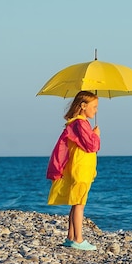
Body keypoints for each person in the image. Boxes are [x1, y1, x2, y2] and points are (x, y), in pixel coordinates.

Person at [46, 91, 101, 251]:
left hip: (81, 168)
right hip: (80, 169)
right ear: (83, 106)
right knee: (79, 204)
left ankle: (70, 237)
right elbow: (91, 146)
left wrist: (92, 133)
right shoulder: (80, 123)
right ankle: (78, 238)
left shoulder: (78, 124)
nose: (96, 110)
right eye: (94, 106)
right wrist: (96, 135)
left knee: (76, 202)